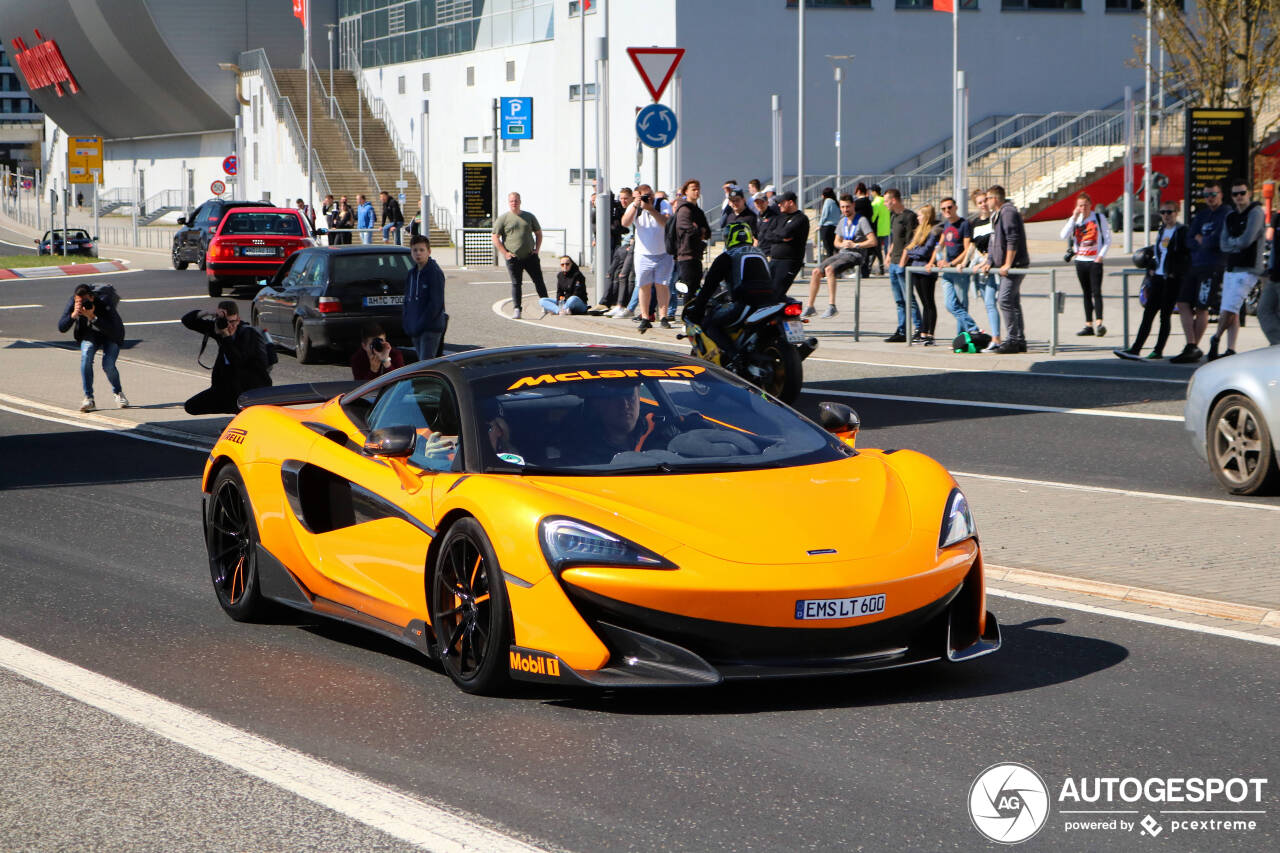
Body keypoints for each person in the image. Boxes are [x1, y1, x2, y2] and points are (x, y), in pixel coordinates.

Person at [684, 222, 777, 363]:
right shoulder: (760, 253)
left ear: (729, 238)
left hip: (745, 302)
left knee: (710, 324)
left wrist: (697, 311)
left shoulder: (727, 256)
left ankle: (735, 356)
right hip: (769, 301)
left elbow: (709, 287)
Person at [1116, 205, 1189, 360]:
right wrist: (1152, 268)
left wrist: (1176, 272)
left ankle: (1158, 350)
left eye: (1169, 212)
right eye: (1163, 212)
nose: (1166, 215)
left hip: (1171, 278)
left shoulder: (1182, 231)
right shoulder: (1162, 230)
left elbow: (1184, 254)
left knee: (1165, 316)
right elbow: (1157, 253)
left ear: (1176, 213)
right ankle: (1136, 348)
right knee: (1148, 313)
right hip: (1158, 276)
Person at [1171, 182, 1228, 363]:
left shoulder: (1226, 214)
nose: (1210, 198)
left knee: (1202, 306)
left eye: (1213, 194)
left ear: (1221, 194)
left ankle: (1193, 346)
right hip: (1195, 264)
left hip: (1213, 266)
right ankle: (1191, 344)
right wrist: (1201, 241)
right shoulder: (1202, 215)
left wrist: (1204, 241)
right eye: (1207, 195)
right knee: (1182, 302)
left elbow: (1217, 239)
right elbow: (1190, 239)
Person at [181, 301, 271, 415]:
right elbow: (187, 321)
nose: (229, 326)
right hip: (227, 388)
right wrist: (208, 312)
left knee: (237, 397)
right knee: (191, 406)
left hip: (249, 388)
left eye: (232, 322)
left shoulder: (248, 333)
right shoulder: (219, 327)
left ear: (238, 319)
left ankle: (243, 415)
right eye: (225, 322)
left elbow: (237, 361)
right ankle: (239, 414)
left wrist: (226, 337)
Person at [1209, 178, 1265, 361]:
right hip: (1232, 267)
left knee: (1230, 307)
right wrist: (1235, 244)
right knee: (1230, 307)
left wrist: (1234, 244)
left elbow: (1247, 240)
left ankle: (1215, 338)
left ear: (1249, 193)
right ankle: (1230, 348)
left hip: (1248, 268)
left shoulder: (1255, 213)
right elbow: (1224, 243)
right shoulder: (1230, 216)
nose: (1239, 197)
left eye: (1242, 193)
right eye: (1235, 194)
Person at [57, 283, 128, 412]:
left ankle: (118, 393)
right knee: (86, 356)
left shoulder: (104, 302)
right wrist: (73, 315)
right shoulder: (74, 302)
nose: (83, 304)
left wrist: (93, 317)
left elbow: (115, 331)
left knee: (108, 365)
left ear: (92, 297)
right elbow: (61, 327)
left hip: (109, 335)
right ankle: (88, 398)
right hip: (89, 335)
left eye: (85, 301)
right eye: (79, 301)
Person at [804, 195, 876, 318]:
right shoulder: (842, 221)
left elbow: (873, 241)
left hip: (856, 254)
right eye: (842, 207)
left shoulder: (861, 220)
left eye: (847, 206)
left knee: (829, 269)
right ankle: (810, 306)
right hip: (842, 252)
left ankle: (832, 306)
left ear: (853, 205)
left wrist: (856, 244)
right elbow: (836, 242)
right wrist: (842, 244)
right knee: (816, 271)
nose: (845, 209)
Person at [980, 185, 1030, 354]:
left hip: (1015, 264)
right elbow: (994, 241)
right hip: (1005, 265)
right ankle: (1020, 340)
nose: (985, 202)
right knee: (1013, 302)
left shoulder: (1008, 212)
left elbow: (1012, 239)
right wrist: (989, 261)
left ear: (995, 198)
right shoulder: (997, 214)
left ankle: (1013, 340)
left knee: (1004, 300)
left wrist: (1007, 263)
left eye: (987, 198)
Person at [620, 182, 673, 332]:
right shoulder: (635, 207)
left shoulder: (662, 204)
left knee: (662, 285)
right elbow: (625, 223)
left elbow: (666, 222)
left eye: (649, 195)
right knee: (644, 286)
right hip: (643, 254)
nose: (647, 198)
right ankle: (645, 317)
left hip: (663, 253)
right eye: (644, 196)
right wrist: (636, 205)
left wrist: (651, 209)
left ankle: (663, 316)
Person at [1060, 193, 1112, 337]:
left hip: (1095, 260)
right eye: (1080, 206)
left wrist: (1100, 256)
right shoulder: (1076, 220)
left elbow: (1107, 239)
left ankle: (1099, 323)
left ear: (1091, 205)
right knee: (1086, 293)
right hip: (1080, 260)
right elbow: (1063, 235)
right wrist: (1073, 217)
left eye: (1085, 205)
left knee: (1096, 292)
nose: (1083, 208)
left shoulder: (1099, 218)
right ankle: (1088, 325)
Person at [928, 197, 979, 338]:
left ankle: (961, 337)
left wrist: (952, 263)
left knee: (962, 304)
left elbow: (967, 249)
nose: (947, 211)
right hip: (948, 270)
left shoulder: (964, 224)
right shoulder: (946, 225)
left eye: (949, 207)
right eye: (943, 209)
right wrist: (933, 261)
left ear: (955, 207)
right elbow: (939, 246)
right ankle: (973, 328)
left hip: (959, 270)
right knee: (950, 304)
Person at [492, 191, 547, 320]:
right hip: (513, 258)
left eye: (516, 200)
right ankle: (517, 308)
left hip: (530, 256)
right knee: (516, 284)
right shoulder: (504, 218)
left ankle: (546, 304)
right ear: (508, 202)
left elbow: (538, 233)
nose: (514, 203)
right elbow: (495, 237)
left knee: (538, 281)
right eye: (512, 201)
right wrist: (505, 253)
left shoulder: (529, 216)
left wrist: (537, 250)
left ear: (520, 202)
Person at [884, 188, 921, 342]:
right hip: (893, 262)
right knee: (899, 300)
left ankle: (919, 328)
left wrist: (902, 261)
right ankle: (902, 330)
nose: (885, 204)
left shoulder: (909, 216)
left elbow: (910, 241)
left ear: (894, 200)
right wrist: (888, 254)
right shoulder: (893, 216)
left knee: (909, 298)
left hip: (903, 264)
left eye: (886, 201)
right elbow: (895, 239)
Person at [903, 204, 942, 346]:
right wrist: (913, 252)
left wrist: (913, 252)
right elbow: (909, 249)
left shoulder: (933, 231)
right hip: (916, 270)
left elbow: (924, 251)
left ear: (926, 216)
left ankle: (930, 333)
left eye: (920, 215)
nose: (917, 217)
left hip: (926, 272)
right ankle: (923, 332)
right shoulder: (919, 231)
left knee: (929, 302)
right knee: (924, 303)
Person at [403, 234, 447, 360]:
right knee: (420, 363)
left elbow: (436, 304)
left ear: (429, 251)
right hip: (415, 326)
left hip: (430, 328)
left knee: (425, 363)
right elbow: (407, 300)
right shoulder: (411, 273)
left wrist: (420, 325)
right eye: (415, 250)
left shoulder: (434, 272)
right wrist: (407, 322)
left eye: (422, 250)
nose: (418, 253)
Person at [967, 188, 1001, 351]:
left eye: (985, 201)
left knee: (990, 303)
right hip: (979, 266)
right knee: (987, 303)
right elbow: (972, 246)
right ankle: (996, 337)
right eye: (980, 202)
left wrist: (989, 259)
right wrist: (964, 262)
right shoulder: (975, 223)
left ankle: (996, 338)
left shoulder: (995, 220)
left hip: (991, 265)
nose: (983, 205)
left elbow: (997, 243)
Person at [673, 179, 711, 300]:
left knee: (695, 287)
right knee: (688, 288)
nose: (696, 191)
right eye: (693, 189)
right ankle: (687, 314)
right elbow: (688, 229)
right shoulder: (684, 209)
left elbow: (707, 231)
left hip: (697, 254)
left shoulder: (698, 211)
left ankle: (693, 314)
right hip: (685, 254)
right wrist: (700, 231)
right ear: (686, 192)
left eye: (698, 189)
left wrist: (700, 231)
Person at [766, 191, 809, 297]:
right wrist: (781, 238)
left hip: (789, 261)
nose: (779, 205)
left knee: (777, 292)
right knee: (765, 290)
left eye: (781, 202)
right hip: (774, 260)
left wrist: (778, 234)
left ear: (790, 202)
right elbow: (767, 235)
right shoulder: (779, 217)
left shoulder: (801, 218)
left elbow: (786, 233)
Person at [1261, 213, 1280, 345]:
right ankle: (1277, 344)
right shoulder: (1277, 218)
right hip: (1275, 274)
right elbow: (1271, 241)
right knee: (1264, 310)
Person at [870, 184, 891, 275]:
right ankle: (871, 266)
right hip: (886, 228)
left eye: (871, 191)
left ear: (874, 192)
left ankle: (881, 267)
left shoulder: (875, 203)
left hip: (878, 228)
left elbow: (873, 217)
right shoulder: (884, 200)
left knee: (877, 249)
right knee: (877, 249)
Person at [817, 187, 839, 259]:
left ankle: (830, 266)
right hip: (835, 227)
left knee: (828, 250)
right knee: (835, 248)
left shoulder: (828, 201)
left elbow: (824, 214)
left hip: (827, 227)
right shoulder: (835, 202)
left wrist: (820, 224)